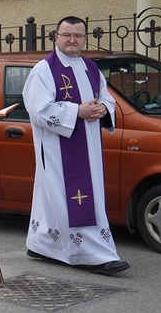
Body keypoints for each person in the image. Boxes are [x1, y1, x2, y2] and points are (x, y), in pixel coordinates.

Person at [22, 16, 129, 275]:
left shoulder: (90, 67)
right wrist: (75, 112)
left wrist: (104, 108)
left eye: (77, 35)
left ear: (84, 38)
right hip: (59, 148)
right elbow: (38, 109)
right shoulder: (44, 70)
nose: (72, 40)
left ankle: (44, 244)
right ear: (56, 37)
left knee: (56, 199)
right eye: (66, 35)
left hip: (89, 148)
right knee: (72, 198)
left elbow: (107, 100)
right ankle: (94, 254)